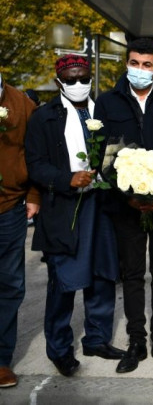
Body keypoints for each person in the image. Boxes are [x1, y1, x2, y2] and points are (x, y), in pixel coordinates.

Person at [25, 55, 124, 378]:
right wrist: (66, 178)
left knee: (102, 274)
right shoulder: (44, 117)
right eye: (71, 79)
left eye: (83, 78)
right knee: (64, 281)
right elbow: (35, 164)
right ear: (58, 82)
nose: (78, 84)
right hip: (65, 208)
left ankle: (96, 338)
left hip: (103, 206)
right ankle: (59, 348)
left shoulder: (104, 111)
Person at [94, 38, 153, 373]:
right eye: (135, 63)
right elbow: (103, 153)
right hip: (125, 204)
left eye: (147, 65)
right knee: (131, 273)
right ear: (126, 64)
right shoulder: (107, 102)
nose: (140, 70)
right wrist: (129, 195)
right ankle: (137, 341)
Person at [0, 75, 40, 388]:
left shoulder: (20, 102)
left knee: (9, 284)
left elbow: (35, 151)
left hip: (9, 209)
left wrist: (34, 194)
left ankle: (1, 359)